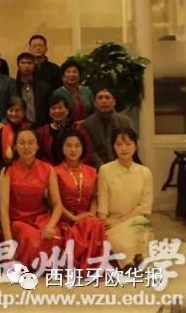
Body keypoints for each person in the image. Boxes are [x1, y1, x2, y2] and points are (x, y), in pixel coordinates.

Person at [0, 129, 63, 269]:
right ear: (15, 147)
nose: (26, 147)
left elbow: (58, 205)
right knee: (32, 239)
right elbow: (3, 208)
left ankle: (41, 265)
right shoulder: (7, 171)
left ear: (37, 146)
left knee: (54, 237)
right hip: (18, 220)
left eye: (31, 142)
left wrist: (51, 225)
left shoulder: (48, 169)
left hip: (41, 218)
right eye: (21, 143)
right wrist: (8, 241)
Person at [97, 129, 153, 267]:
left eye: (128, 144)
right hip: (111, 222)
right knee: (121, 238)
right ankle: (130, 261)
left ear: (135, 146)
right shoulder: (105, 170)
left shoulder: (145, 172)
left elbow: (145, 207)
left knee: (142, 223)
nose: (123, 148)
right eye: (119, 144)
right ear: (113, 147)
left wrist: (120, 220)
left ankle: (135, 258)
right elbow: (102, 203)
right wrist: (104, 221)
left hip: (135, 219)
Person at [53, 133, 107, 269]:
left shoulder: (92, 171)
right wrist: (73, 217)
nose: (73, 150)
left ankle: (91, 265)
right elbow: (54, 202)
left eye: (77, 146)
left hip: (86, 216)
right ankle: (77, 264)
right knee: (78, 228)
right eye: (69, 145)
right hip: (64, 217)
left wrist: (91, 214)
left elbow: (94, 197)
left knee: (94, 223)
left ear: (83, 148)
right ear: (62, 148)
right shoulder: (55, 172)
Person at [36, 95, 94, 166]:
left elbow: (89, 151)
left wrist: (77, 165)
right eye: (53, 108)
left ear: (67, 111)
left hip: (75, 168)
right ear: (49, 112)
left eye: (60, 108)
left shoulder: (78, 129)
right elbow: (40, 154)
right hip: (50, 169)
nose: (56, 111)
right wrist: (50, 168)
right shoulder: (42, 131)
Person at [82, 88, 134, 167]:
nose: (104, 101)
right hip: (97, 167)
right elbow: (90, 151)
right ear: (95, 103)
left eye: (107, 97)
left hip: (123, 164)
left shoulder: (125, 122)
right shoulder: (87, 124)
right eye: (100, 98)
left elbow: (130, 145)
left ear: (114, 102)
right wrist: (102, 167)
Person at [15, 52, 52, 127]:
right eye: (23, 63)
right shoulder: (13, 86)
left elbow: (49, 109)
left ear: (34, 65)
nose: (26, 66)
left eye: (29, 63)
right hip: (19, 127)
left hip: (41, 127)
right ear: (18, 65)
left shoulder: (45, 87)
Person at [0, 96, 34, 166]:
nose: (13, 113)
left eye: (17, 111)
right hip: (7, 167)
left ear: (24, 112)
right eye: (11, 110)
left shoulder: (31, 129)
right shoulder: (1, 130)